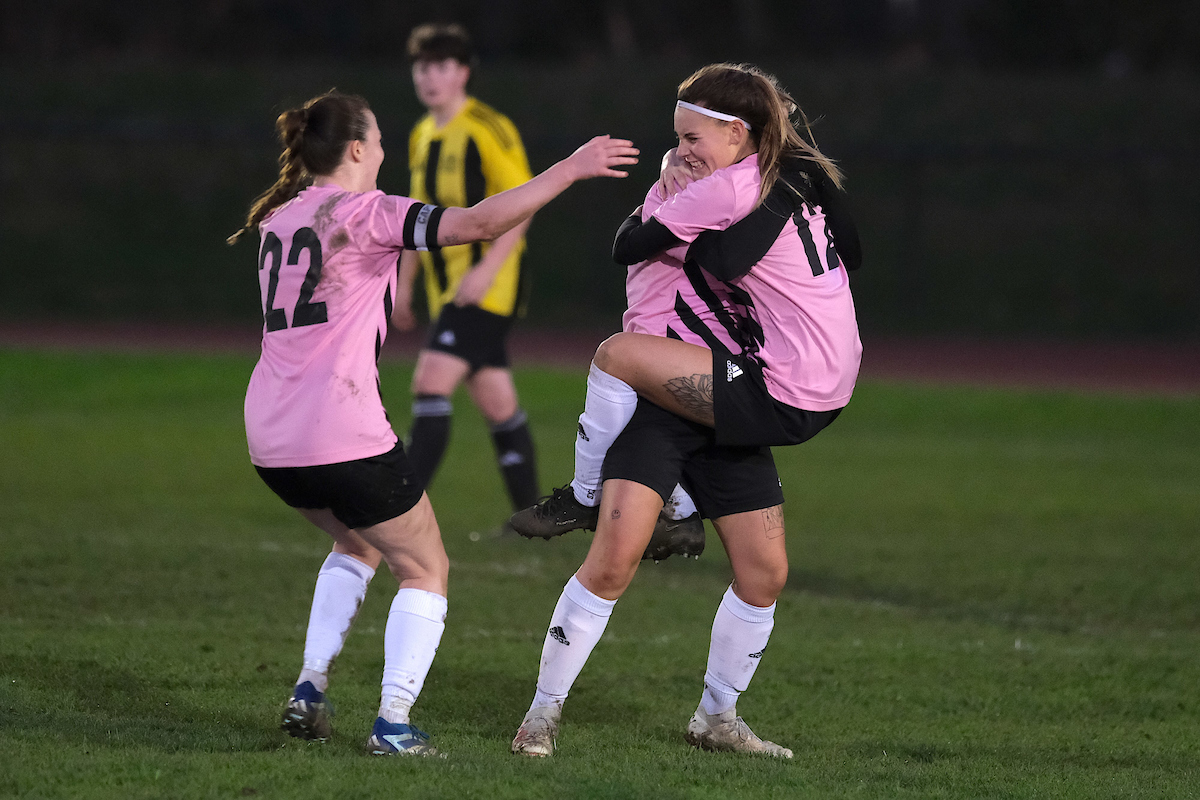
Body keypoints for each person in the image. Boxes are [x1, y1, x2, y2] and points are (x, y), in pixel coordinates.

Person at [227, 90, 637, 755]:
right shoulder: (369, 213)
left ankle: (309, 688)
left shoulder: (279, 218)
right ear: (357, 149)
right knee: (425, 567)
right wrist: (570, 168)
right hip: (340, 429)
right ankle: (392, 724)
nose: (385, 150)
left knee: (358, 543)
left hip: (271, 436)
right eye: (380, 140)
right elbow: (478, 224)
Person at [509, 63, 861, 758]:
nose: (680, 150)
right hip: (670, 397)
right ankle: (540, 716)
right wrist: (670, 189)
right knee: (613, 561)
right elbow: (636, 246)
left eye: (692, 137)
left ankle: (715, 720)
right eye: (676, 138)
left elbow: (724, 248)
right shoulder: (709, 187)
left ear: (739, 135)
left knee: (765, 575)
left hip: (733, 387)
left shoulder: (743, 191)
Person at [391, 23, 541, 514]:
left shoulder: (487, 127)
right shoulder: (420, 133)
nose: (429, 77)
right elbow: (418, 218)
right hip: (445, 290)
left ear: (463, 73)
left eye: (441, 66)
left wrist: (485, 272)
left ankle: (399, 511)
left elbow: (524, 204)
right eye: (422, 67)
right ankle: (531, 519)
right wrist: (404, 285)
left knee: (429, 383)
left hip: (486, 289)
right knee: (498, 404)